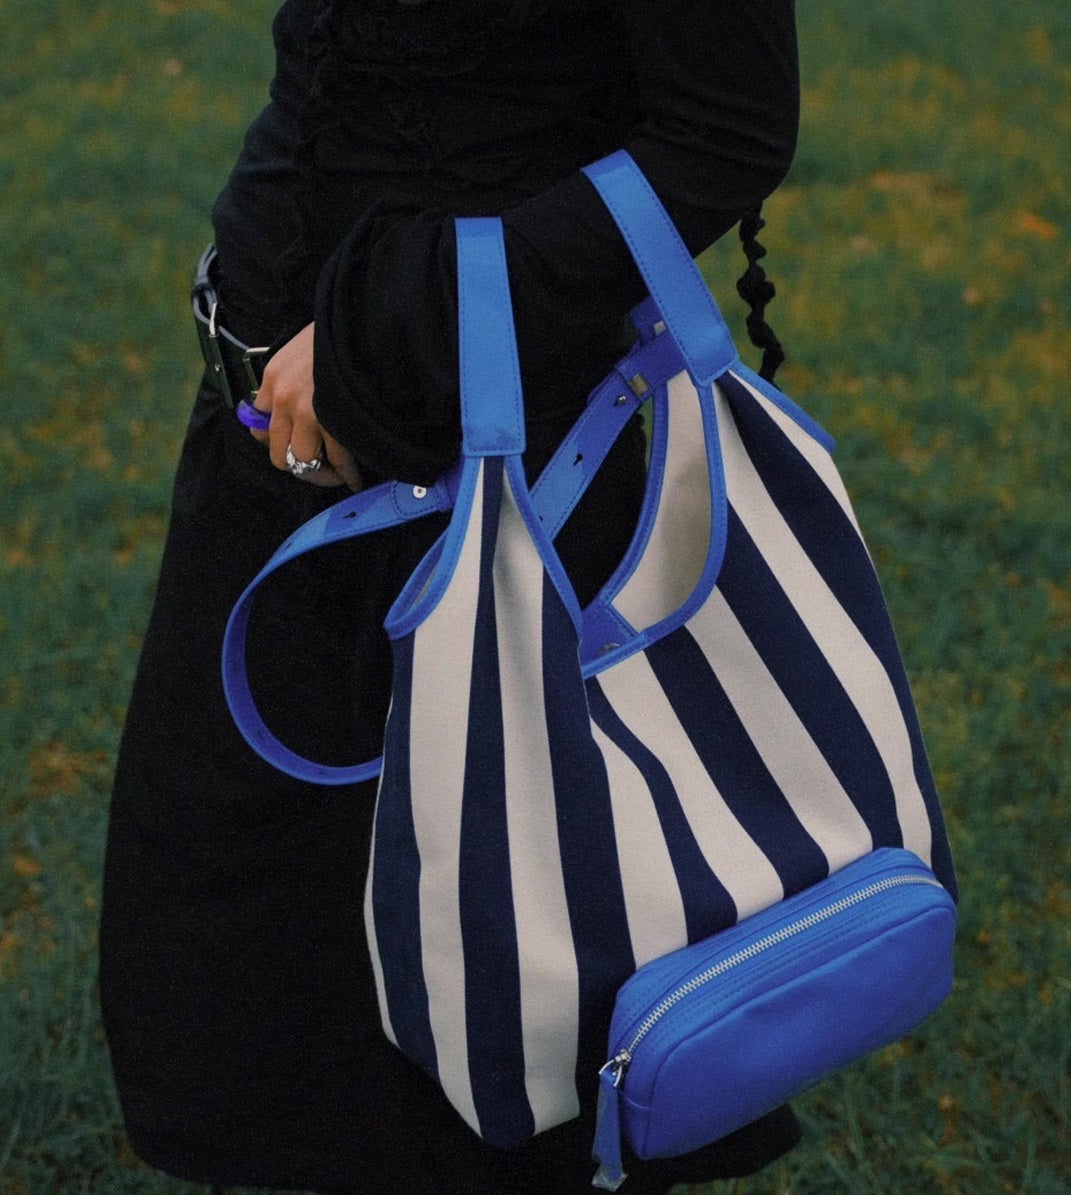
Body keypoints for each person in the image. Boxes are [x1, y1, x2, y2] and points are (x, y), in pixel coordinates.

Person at [100, 1, 802, 1191]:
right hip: (270, 443)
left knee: (510, 976)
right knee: (251, 958)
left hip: (511, 455)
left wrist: (394, 323)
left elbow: (723, 131)